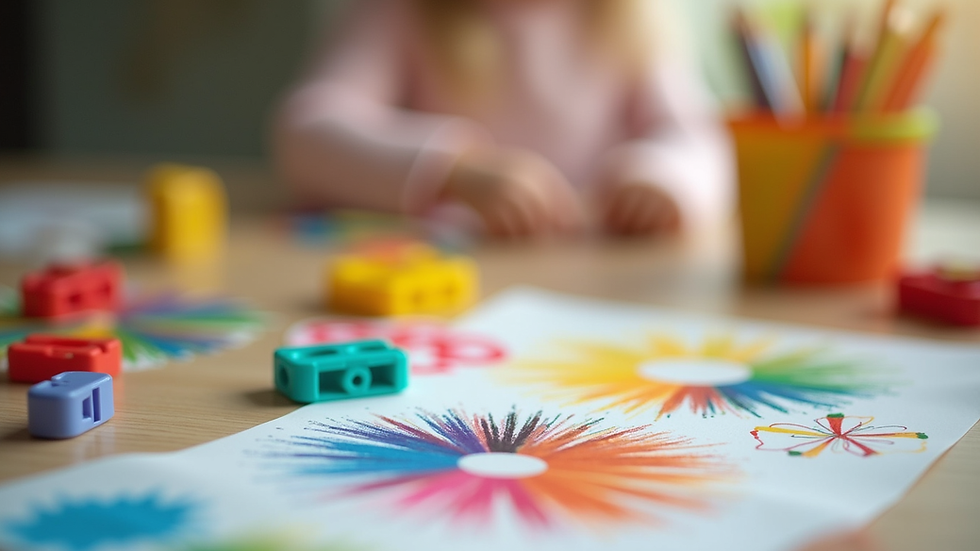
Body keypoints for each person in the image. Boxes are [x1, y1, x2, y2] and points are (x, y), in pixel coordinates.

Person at [273, 0, 733, 238]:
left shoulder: (628, 17)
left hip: (594, 284)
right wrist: (454, 169)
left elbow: (700, 138)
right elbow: (306, 131)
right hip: (457, 289)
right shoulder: (403, 11)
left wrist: (661, 181)